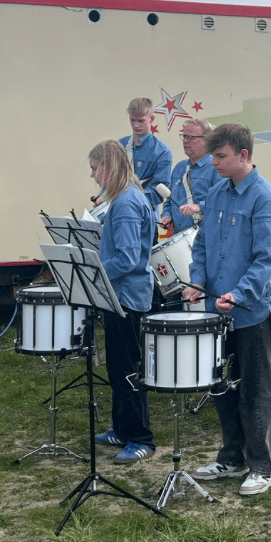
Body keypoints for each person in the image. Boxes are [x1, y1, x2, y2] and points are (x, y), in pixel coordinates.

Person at [184, 123, 271, 496]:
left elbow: (265, 260)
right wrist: (197, 283)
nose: (214, 162)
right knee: (222, 386)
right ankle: (231, 457)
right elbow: (203, 245)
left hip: (251, 311)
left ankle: (263, 466)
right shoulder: (216, 192)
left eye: (221, 156)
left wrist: (239, 294)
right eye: (213, 155)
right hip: (216, 308)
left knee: (255, 391)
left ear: (244, 155)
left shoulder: (265, 198)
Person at [89, 139, 158, 463]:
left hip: (127, 297)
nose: (93, 176)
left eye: (94, 169)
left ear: (108, 166)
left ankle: (140, 437)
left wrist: (96, 275)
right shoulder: (124, 199)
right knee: (117, 368)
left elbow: (129, 258)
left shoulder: (128, 202)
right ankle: (121, 428)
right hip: (120, 296)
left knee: (129, 370)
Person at [118, 97, 172, 229]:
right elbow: (110, 178)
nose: (136, 125)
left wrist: (129, 198)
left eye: (141, 121)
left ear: (151, 119)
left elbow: (158, 193)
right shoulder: (120, 145)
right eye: (132, 120)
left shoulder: (162, 152)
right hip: (118, 214)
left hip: (145, 220)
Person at [160, 118, 216, 236]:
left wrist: (199, 207)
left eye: (191, 137)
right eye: (184, 136)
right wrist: (166, 214)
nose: (185, 141)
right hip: (179, 238)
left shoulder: (215, 168)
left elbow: (224, 202)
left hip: (205, 237)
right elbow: (170, 199)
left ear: (207, 140)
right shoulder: (179, 168)